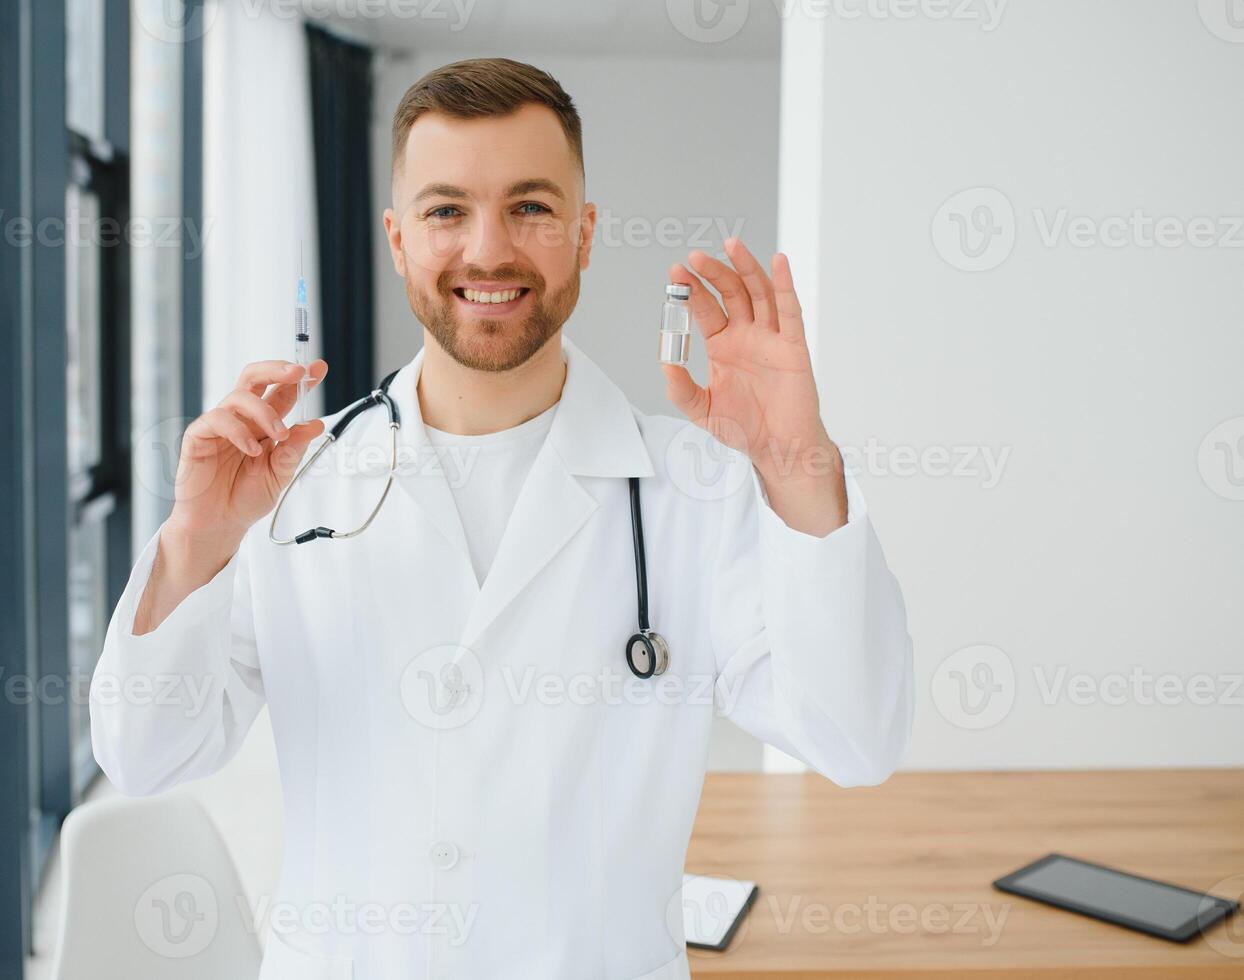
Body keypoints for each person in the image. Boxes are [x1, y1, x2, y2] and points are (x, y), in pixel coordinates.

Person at [91, 57, 914, 980]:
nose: (489, 250)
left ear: (585, 233)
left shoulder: (698, 489)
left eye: (531, 206)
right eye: (447, 210)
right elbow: (145, 755)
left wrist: (798, 464)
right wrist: (196, 542)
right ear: (398, 239)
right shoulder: (290, 481)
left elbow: (856, 738)